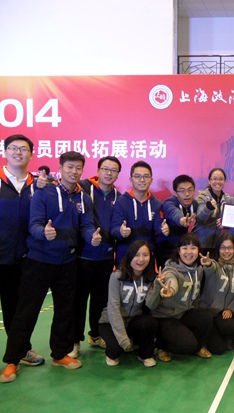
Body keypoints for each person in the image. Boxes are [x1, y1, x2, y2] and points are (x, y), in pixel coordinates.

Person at [1, 151, 101, 383]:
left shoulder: (83, 198)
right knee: (26, 313)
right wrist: (42, 233)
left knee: (65, 311)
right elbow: (34, 224)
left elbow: (86, 225)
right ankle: (13, 360)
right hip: (38, 261)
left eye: (78, 168)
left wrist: (91, 237)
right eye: (69, 167)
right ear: (60, 168)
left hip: (67, 262)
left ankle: (59, 354)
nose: (74, 171)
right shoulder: (44, 193)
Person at [0, 134, 46, 372]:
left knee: (16, 308)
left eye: (24, 149)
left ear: (31, 154)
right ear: (5, 151)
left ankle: (20, 350)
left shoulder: (38, 185)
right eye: (13, 148)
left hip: (24, 258)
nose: (18, 152)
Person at [71, 156, 122, 358]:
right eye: (105, 169)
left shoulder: (119, 197)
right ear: (98, 170)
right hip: (83, 256)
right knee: (78, 301)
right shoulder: (82, 188)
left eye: (113, 170)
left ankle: (96, 335)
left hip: (106, 257)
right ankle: (74, 340)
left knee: (100, 301)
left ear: (118, 174)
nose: (109, 173)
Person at [146, 233, 213, 361]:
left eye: (193, 248)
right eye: (185, 248)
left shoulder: (198, 270)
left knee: (206, 317)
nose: (189, 252)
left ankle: (197, 348)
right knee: (187, 345)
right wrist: (170, 291)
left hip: (183, 313)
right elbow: (171, 280)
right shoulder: (170, 269)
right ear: (178, 250)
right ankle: (160, 346)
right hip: (166, 317)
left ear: (198, 250)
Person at [98, 240, 158, 367]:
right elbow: (113, 309)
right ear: (130, 256)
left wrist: (157, 287)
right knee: (116, 350)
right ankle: (113, 343)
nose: (141, 259)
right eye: (137, 255)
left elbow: (151, 305)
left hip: (132, 321)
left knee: (150, 322)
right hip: (109, 321)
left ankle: (145, 355)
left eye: (145, 255)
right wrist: (123, 340)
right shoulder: (117, 276)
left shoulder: (150, 278)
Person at [199, 234, 234, 354]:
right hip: (208, 311)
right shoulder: (214, 264)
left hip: (223, 312)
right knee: (219, 349)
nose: (226, 251)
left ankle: (218, 334)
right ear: (218, 249)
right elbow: (210, 268)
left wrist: (231, 309)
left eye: (230, 248)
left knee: (229, 327)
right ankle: (208, 334)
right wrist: (208, 264)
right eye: (223, 248)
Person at [111, 161, 162, 265]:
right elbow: (113, 230)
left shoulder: (157, 204)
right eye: (137, 176)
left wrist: (163, 230)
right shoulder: (121, 202)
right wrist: (120, 231)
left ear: (151, 180)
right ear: (131, 180)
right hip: (125, 257)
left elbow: (159, 230)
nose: (142, 180)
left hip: (148, 258)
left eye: (146, 176)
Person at [155, 174, 198, 267]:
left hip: (184, 249)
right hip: (166, 249)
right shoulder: (169, 202)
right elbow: (172, 211)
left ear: (194, 191)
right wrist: (181, 220)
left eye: (190, 190)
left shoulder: (194, 204)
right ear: (175, 193)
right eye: (182, 191)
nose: (187, 194)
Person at [195, 168, 230, 255]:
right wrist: (208, 208)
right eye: (214, 179)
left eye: (221, 179)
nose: (218, 182)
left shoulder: (228, 199)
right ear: (209, 181)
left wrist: (225, 222)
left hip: (217, 244)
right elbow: (200, 219)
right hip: (200, 242)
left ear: (225, 182)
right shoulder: (202, 197)